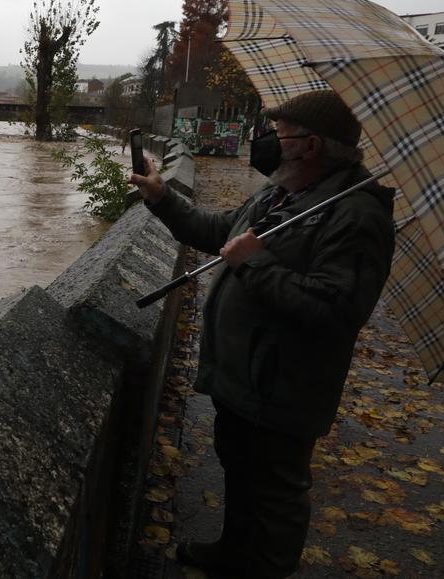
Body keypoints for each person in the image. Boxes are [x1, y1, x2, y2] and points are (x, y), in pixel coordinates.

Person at [129, 90, 396, 578]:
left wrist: (256, 264)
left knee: (275, 493)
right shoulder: (280, 193)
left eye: (278, 134)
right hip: (244, 378)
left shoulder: (356, 216)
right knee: (240, 470)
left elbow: (335, 312)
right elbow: (217, 232)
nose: (266, 142)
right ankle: (233, 553)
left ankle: (264, 567)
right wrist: (161, 197)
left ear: (311, 145)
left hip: (285, 387)